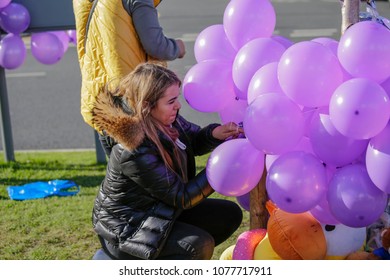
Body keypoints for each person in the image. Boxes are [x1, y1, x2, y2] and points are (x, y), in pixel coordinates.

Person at [91, 63, 244, 260]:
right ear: (147, 106)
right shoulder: (133, 148)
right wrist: (217, 170)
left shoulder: (167, 120)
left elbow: (192, 140)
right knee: (197, 245)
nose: (178, 105)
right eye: (171, 101)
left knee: (229, 214)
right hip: (127, 230)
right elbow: (182, 197)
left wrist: (214, 134)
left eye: (177, 98)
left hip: (159, 210)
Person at [72, 0, 186, 132]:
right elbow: (156, 46)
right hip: (137, 98)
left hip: (101, 101)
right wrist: (177, 47)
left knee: (121, 150)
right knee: (152, 150)